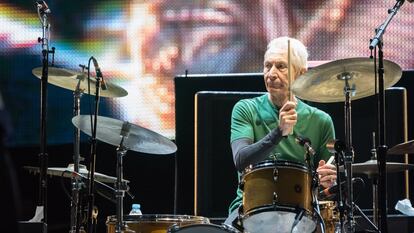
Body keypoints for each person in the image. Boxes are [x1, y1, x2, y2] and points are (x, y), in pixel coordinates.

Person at [225, 36, 337, 226]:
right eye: (267, 66)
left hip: (302, 213)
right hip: (249, 209)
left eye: (281, 66)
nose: (271, 73)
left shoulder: (321, 121)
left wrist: (329, 182)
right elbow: (241, 159)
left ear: (301, 73)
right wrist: (278, 132)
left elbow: (329, 190)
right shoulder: (245, 109)